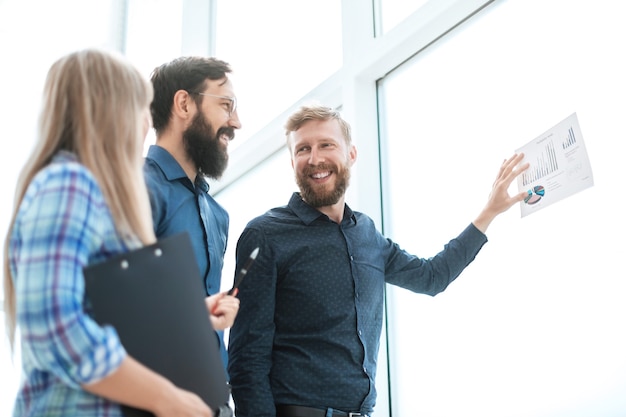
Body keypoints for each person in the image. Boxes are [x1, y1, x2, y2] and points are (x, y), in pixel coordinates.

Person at [227, 104, 530, 417]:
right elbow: (247, 358)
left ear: (351, 155)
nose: (314, 158)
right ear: (292, 162)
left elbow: (431, 277)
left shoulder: (367, 234)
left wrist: (489, 212)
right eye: (303, 149)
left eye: (326, 145)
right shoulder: (266, 235)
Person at [3, 49, 215, 416]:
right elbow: (56, 331)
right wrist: (168, 399)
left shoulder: (86, 192)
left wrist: (193, 316)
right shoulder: (69, 183)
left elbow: (107, 311)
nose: (146, 125)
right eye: (141, 109)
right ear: (113, 111)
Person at [144, 56, 242, 369]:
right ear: (184, 104)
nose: (237, 122)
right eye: (227, 105)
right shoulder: (137, 189)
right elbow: (118, 304)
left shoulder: (218, 215)